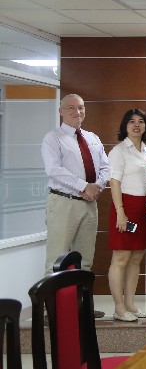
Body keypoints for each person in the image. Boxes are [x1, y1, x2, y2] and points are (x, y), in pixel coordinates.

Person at [41, 94, 109, 318]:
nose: (76, 112)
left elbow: (105, 168)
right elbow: (54, 169)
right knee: (56, 259)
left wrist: (96, 187)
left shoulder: (92, 138)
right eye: (70, 108)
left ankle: (82, 308)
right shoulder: (53, 138)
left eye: (80, 107)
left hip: (89, 204)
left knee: (85, 260)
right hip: (64, 202)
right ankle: (52, 312)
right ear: (61, 111)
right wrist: (83, 186)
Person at [107, 109, 146, 321]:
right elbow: (114, 182)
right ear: (125, 126)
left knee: (136, 258)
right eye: (132, 121)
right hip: (125, 206)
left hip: (144, 208)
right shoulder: (119, 151)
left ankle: (130, 304)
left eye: (141, 121)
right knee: (121, 257)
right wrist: (120, 213)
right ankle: (119, 307)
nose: (136, 125)